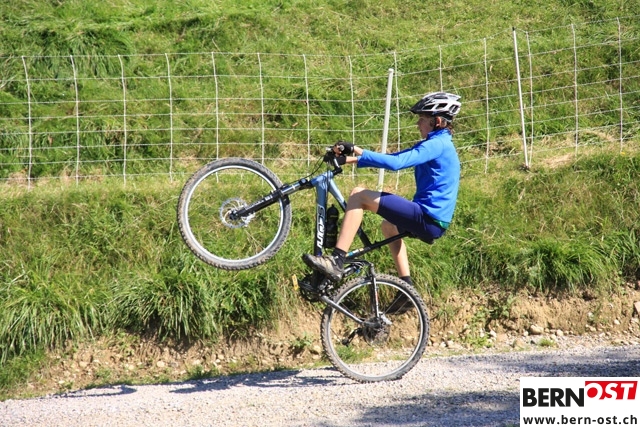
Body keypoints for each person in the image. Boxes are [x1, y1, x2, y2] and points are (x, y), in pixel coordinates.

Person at [302, 92, 461, 307]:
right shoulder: (437, 143)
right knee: (389, 226)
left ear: (437, 121)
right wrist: (349, 159)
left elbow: (396, 164)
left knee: (359, 195)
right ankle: (406, 290)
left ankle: (336, 261)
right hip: (431, 219)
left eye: (422, 119)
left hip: (427, 217)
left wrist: (356, 149)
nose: (418, 124)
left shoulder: (437, 144)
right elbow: (395, 157)